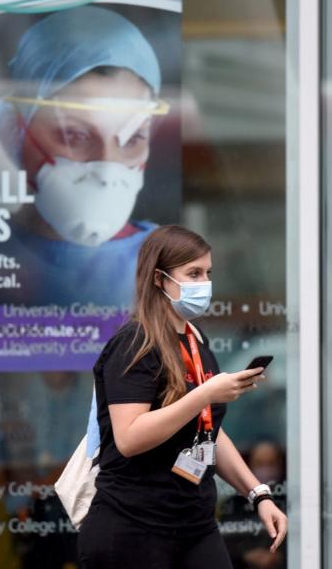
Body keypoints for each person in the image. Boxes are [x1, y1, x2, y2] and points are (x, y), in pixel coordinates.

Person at [78, 225, 288, 568]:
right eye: (193, 273)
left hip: (194, 524)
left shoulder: (196, 341)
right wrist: (205, 392)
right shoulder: (135, 342)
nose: (203, 283)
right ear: (159, 279)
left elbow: (208, 433)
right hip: (134, 526)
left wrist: (258, 493)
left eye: (207, 273)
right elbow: (129, 437)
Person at [0, 5, 171, 305]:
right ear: (14, 129)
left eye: (132, 138)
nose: (106, 168)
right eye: (75, 136)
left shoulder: (166, 265)